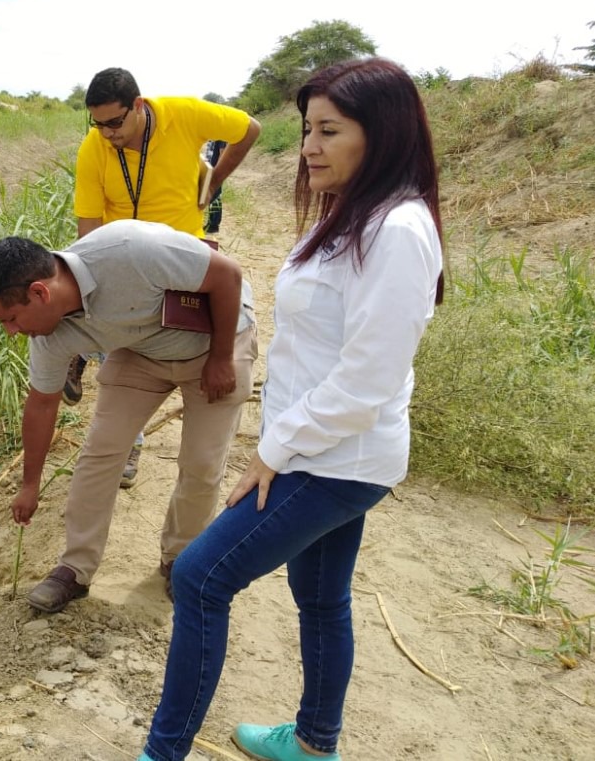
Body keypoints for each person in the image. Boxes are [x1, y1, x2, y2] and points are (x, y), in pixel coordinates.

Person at [138, 57, 445, 761]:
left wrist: (272, 450)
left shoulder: (396, 230)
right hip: (323, 444)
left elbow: (367, 379)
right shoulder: (353, 212)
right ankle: (313, 743)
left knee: (198, 577)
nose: (308, 146)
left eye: (328, 130)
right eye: (306, 128)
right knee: (320, 596)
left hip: (335, 456)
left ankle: (162, 752)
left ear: (383, 133)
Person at [0, 219, 258, 612]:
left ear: (39, 292)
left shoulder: (129, 250)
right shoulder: (48, 337)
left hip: (217, 340)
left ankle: (180, 560)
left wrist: (222, 358)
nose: (10, 332)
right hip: (141, 351)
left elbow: (228, 275)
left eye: (11, 319)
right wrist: (30, 484)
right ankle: (75, 568)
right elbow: (41, 403)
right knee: (101, 451)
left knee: (202, 463)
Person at [63, 68, 261, 489]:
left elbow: (249, 129)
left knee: (195, 347)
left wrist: (214, 180)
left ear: (138, 106)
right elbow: (88, 229)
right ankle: (127, 440)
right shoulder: (94, 149)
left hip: (183, 257)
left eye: (115, 123)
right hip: (127, 263)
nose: (107, 134)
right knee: (122, 348)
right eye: (97, 125)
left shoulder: (184, 115)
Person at [203, 140, 228, 235]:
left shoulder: (222, 137)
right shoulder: (214, 136)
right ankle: (211, 222)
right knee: (211, 197)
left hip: (215, 172)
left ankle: (214, 225)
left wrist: (218, 172)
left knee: (215, 197)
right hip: (210, 170)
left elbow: (222, 154)